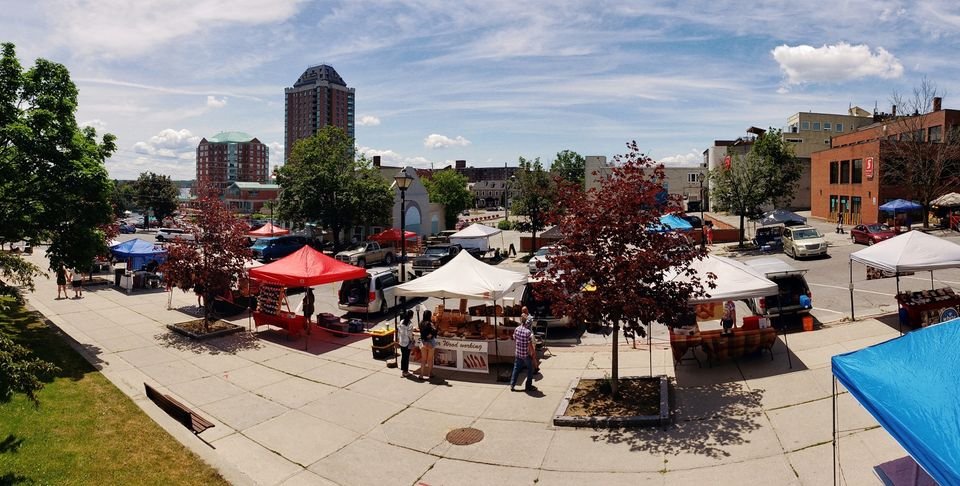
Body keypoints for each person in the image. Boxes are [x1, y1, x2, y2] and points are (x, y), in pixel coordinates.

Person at [510, 317, 536, 392]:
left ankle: (512, 385)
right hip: (525, 354)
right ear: (527, 323)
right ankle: (528, 386)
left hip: (518, 353)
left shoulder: (517, 329)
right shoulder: (528, 332)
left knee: (516, 369)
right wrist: (533, 353)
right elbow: (530, 345)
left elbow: (514, 338)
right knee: (530, 369)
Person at [418, 310, 437, 380]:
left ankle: (421, 375)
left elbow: (421, 332)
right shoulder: (430, 323)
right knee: (430, 359)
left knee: (423, 359)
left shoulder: (420, 323)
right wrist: (431, 335)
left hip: (423, 342)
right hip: (430, 342)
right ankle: (430, 374)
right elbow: (435, 331)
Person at [520, 306, 539, 372]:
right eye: (523, 311)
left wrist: (524, 317)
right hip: (524, 337)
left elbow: (527, 324)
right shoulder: (523, 317)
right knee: (525, 353)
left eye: (525, 311)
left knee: (532, 353)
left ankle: (536, 367)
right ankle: (525, 365)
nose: (524, 312)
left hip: (530, 337)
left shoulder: (530, 317)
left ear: (527, 311)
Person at [397, 310, 416, 377]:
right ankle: (405, 371)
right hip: (407, 342)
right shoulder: (410, 324)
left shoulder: (402, 321)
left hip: (401, 341)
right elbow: (409, 335)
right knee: (406, 357)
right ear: (411, 316)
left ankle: (403, 371)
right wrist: (412, 340)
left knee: (403, 356)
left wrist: (398, 339)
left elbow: (399, 331)